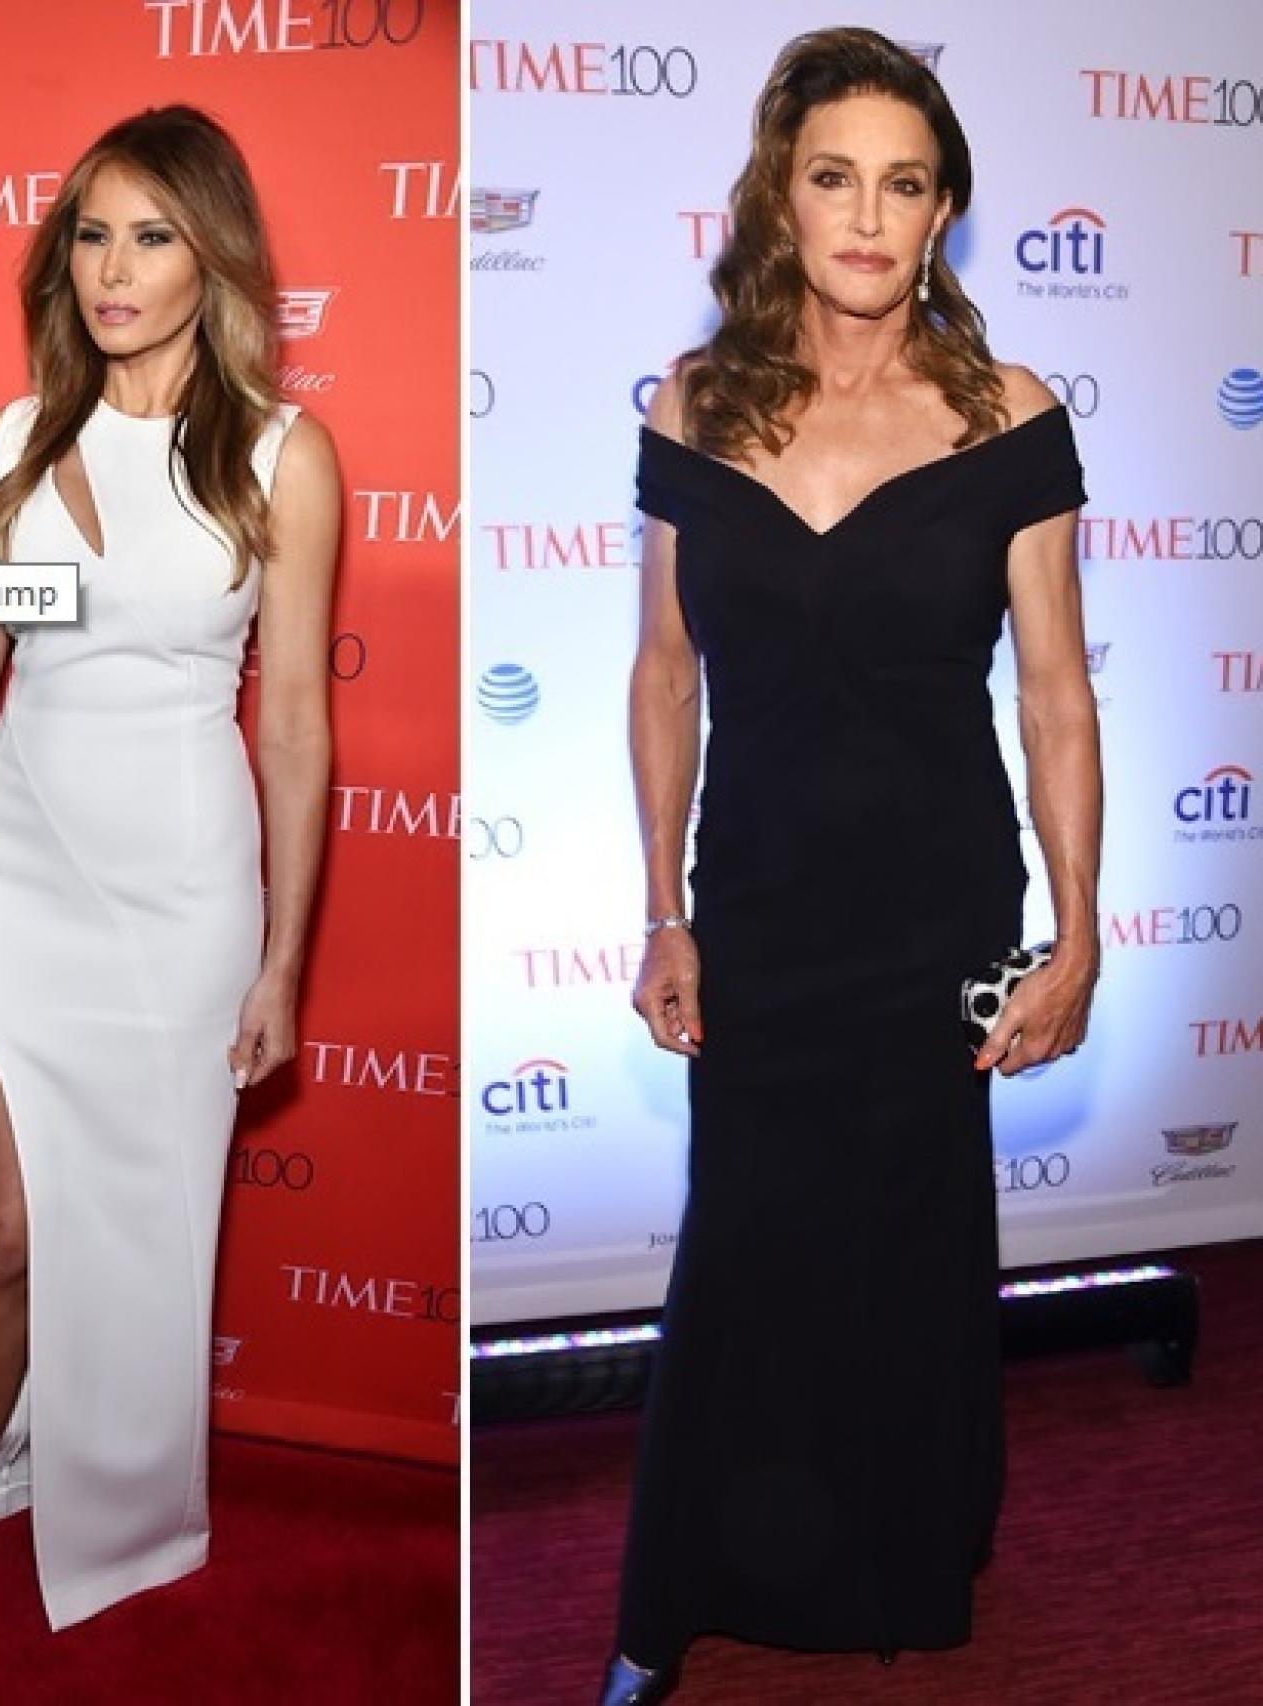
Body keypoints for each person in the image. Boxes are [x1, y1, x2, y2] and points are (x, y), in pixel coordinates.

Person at [600, 28, 1101, 1704]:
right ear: (781, 195)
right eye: (833, 177)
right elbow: (663, 671)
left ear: (942, 207)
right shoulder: (697, 402)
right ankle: (677, 1593)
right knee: (739, 1236)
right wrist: (662, 907)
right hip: (756, 900)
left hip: (934, 906)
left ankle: (901, 1548)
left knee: (905, 1235)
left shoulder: (1005, 416)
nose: (866, 215)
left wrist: (1077, 934)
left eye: (902, 183)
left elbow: (1051, 691)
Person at [0, 105, 339, 1651]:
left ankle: (117, 1484)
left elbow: (289, 725)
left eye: (150, 235)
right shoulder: (5, 446)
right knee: (2, 1223)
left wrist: (281, 960)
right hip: (21, 867)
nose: (114, 268)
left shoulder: (280, 454)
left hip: (183, 887)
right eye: (90, 232)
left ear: (210, 255)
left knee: (140, 1225)